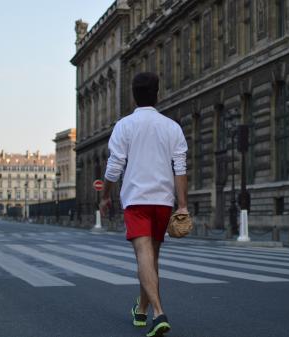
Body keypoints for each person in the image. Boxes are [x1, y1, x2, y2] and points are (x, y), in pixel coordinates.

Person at [99, 72, 188, 337]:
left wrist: (105, 195)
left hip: (137, 199)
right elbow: (180, 168)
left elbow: (114, 167)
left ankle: (158, 313)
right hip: (162, 201)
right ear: (157, 93)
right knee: (151, 257)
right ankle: (141, 310)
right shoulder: (172, 127)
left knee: (143, 256)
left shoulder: (124, 126)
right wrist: (182, 205)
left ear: (133, 96)